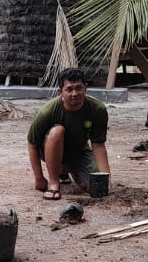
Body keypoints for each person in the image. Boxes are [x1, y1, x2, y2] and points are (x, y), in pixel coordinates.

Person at [27, 67, 111, 200]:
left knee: (95, 187)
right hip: (49, 150)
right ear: (60, 91)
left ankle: (64, 170)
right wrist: (39, 178)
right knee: (57, 131)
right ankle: (55, 181)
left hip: (78, 152)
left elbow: (98, 145)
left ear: (85, 88)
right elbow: (32, 145)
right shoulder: (48, 111)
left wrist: (105, 177)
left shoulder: (98, 109)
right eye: (69, 89)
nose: (75, 93)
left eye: (79, 88)